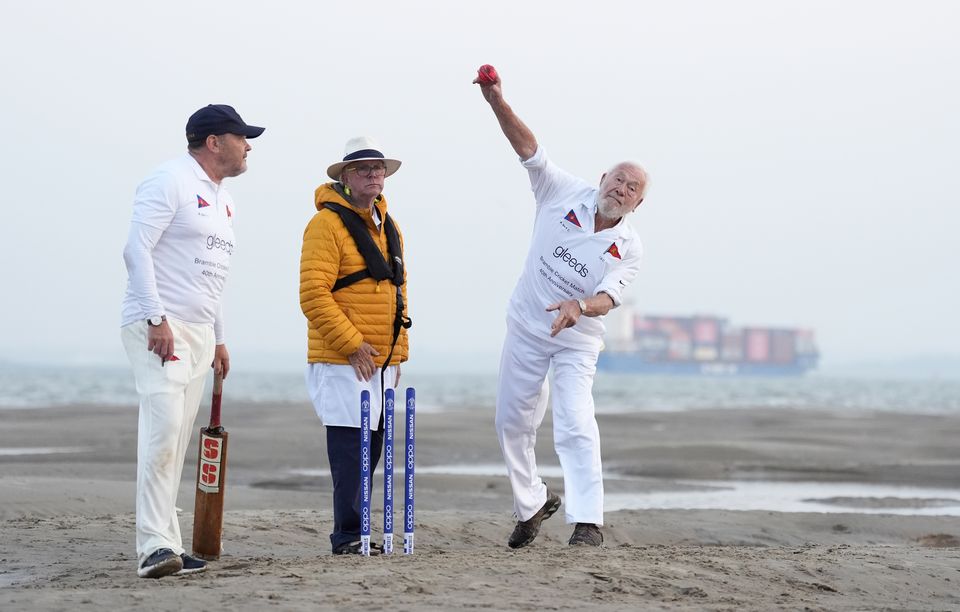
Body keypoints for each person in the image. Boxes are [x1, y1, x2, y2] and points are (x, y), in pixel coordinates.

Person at [474, 69, 648, 548]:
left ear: (638, 202)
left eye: (633, 187)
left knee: (574, 419)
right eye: (618, 179)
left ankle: (588, 521)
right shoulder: (561, 191)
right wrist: (496, 101)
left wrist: (579, 305)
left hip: (577, 340)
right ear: (601, 179)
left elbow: (611, 297)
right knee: (510, 421)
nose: (622, 188)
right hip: (527, 325)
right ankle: (531, 504)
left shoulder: (629, 246)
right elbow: (529, 149)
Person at [120, 104, 264, 577]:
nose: (248, 146)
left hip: (200, 333)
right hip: (161, 327)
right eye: (241, 137)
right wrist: (155, 318)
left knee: (178, 439)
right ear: (213, 142)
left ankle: (172, 547)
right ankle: (152, 549)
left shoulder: (225, 200)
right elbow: (136, 249)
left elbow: (211, 278)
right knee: (161, 433)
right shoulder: (170, 179)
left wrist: (219, 339)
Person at [300, 136, 411, 555]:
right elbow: (313, 294)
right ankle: (347, 535)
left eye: (378, 169)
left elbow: (399, 291)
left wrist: (397, 352)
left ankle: (359, 530)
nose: (373, 175)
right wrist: (351, 345)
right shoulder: (325, 225)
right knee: (350, 448)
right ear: (345, 176)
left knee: (375, 443)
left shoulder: (389, 225)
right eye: (364, 169)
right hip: (342, 357)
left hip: (381, 359)